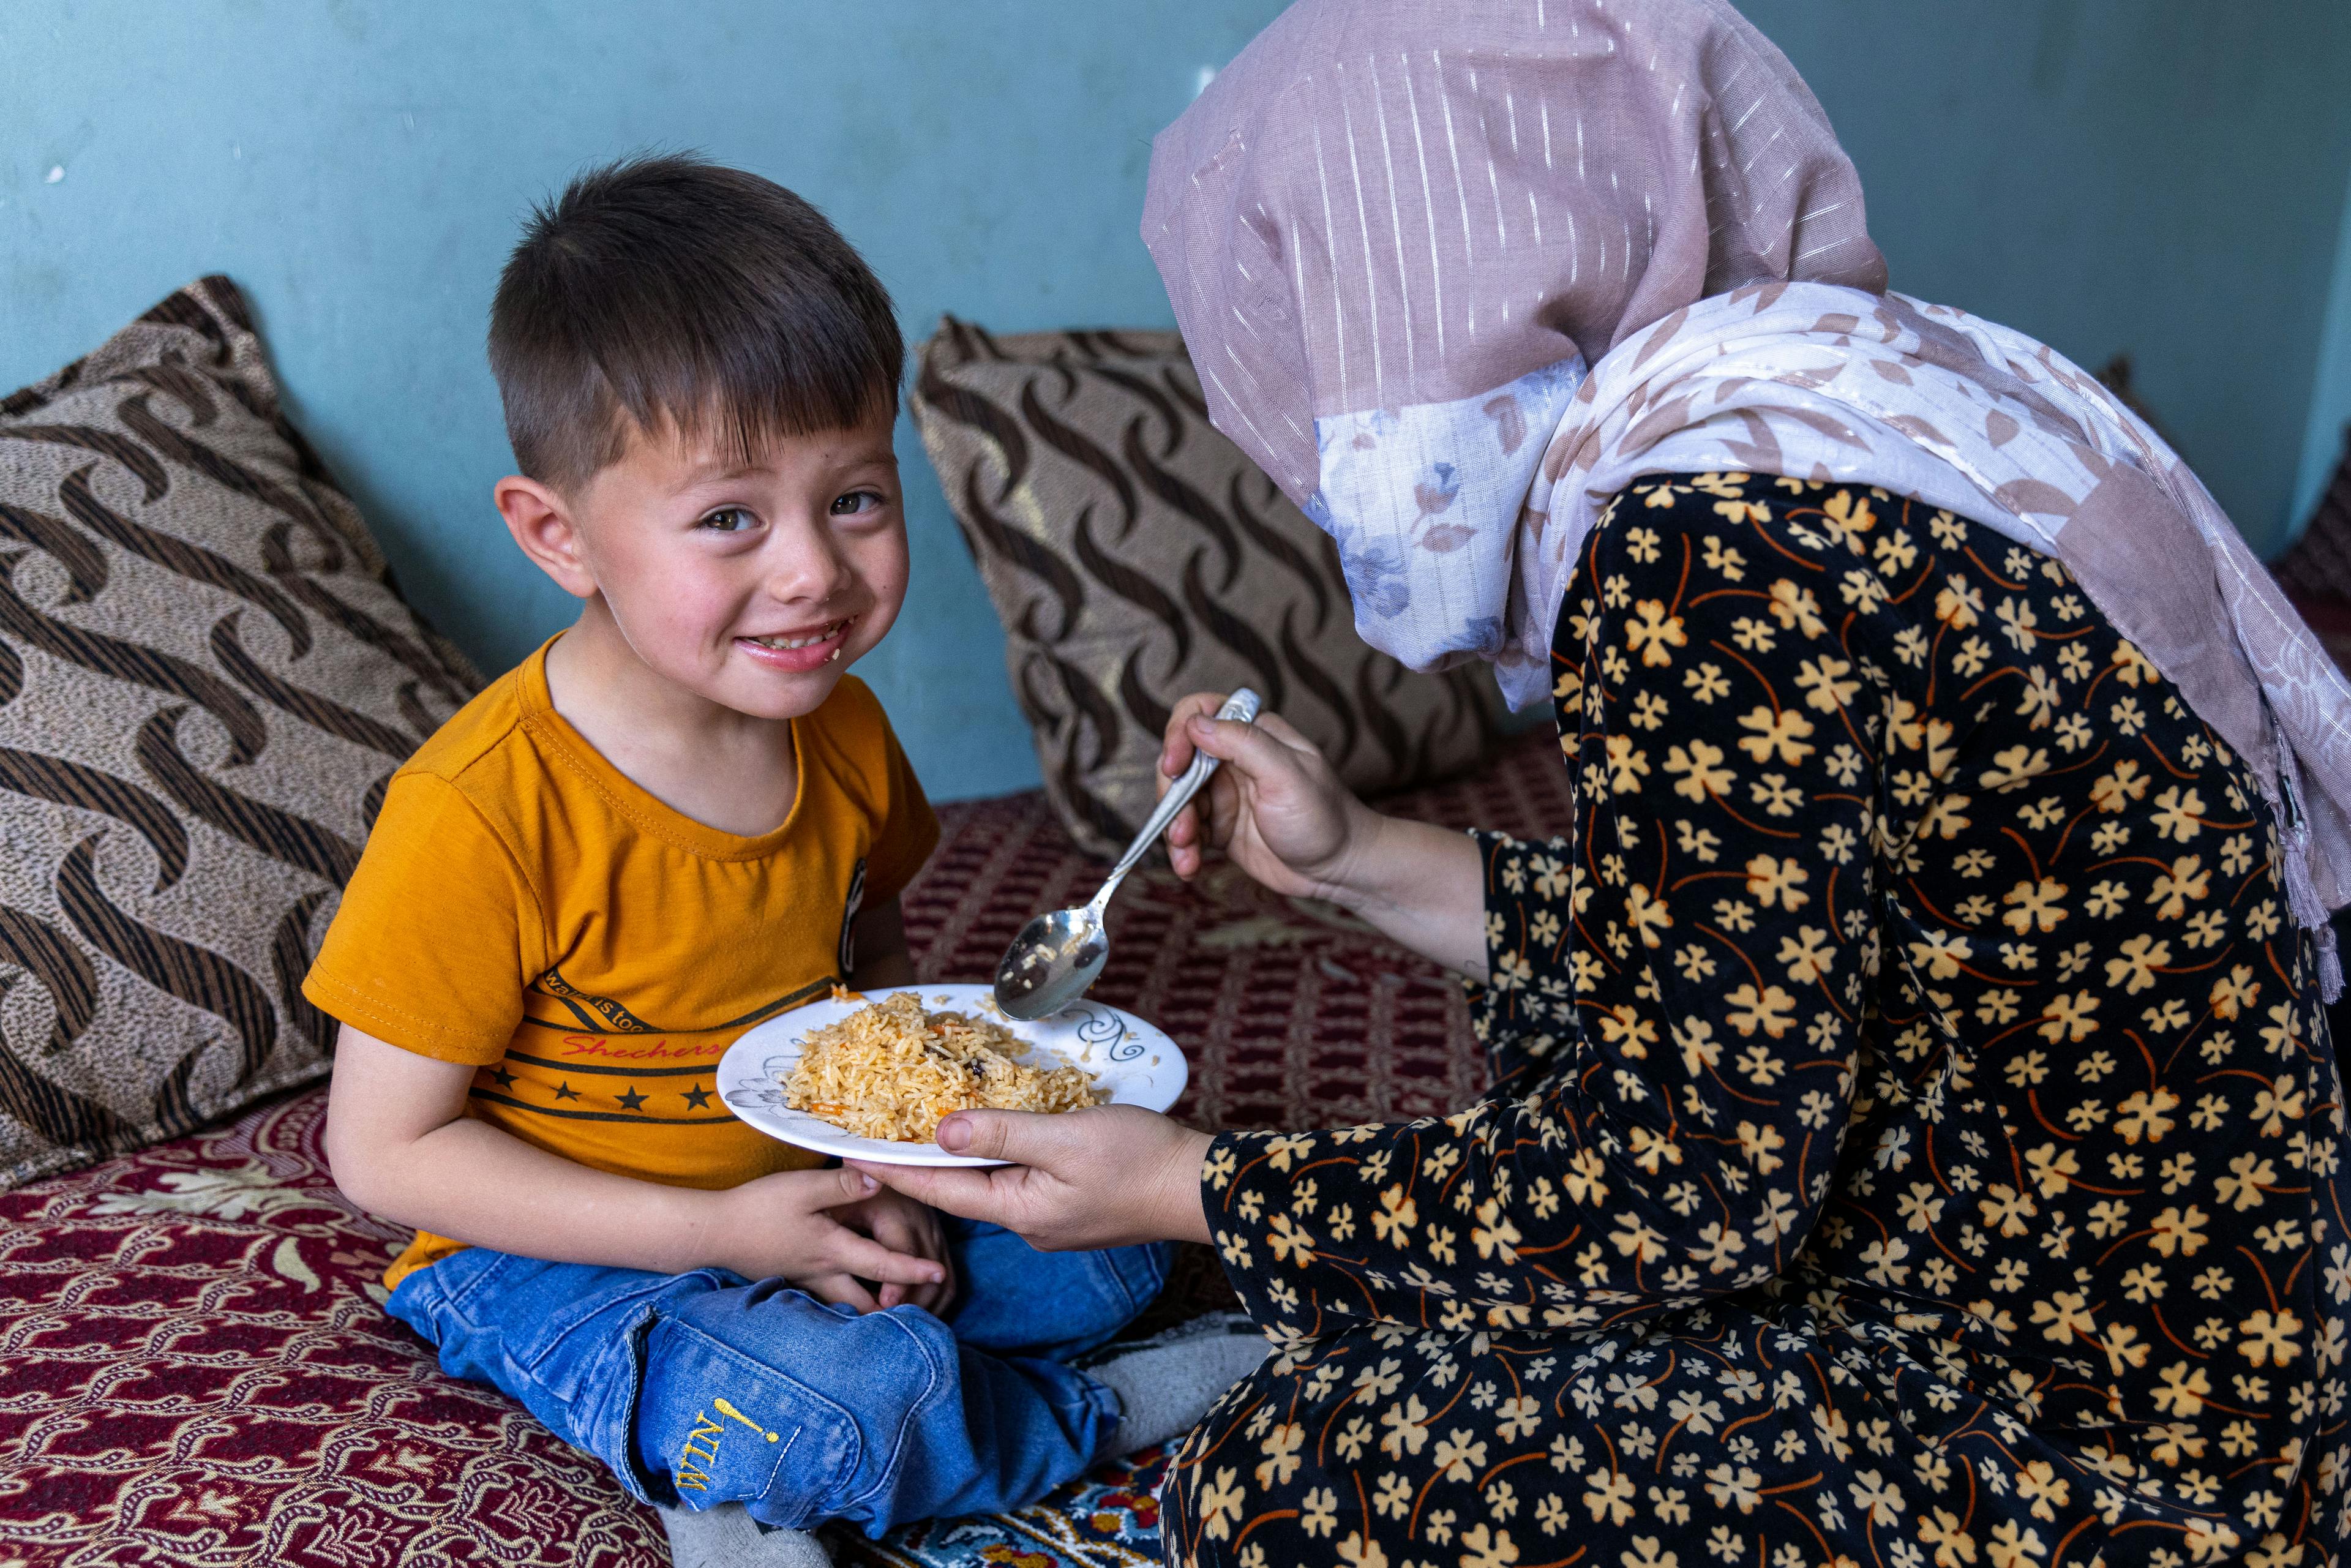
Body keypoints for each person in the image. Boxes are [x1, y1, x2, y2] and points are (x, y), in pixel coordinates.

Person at [859, 4, 2351, 1566]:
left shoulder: (1705, 544)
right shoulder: (1849, 412)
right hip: (2146, 1307)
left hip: (2091, 1443)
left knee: (1287, 1480)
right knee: (1501, 1159)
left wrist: (1193, 1190)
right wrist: (1357, 852)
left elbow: (1695, 1176)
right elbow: (1741, 960)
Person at [309, 154, 1261, 1567]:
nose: (814, 569)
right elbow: (382, 1153)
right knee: (847, 1413)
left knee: (1125, 1236)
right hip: (566, 1254)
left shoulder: (842, 728)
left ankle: (822, 1411)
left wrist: (881, 1167)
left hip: (806, 1198)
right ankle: (1070, 1418)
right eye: (730, 518)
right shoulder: (483, 810)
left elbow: (866, 976)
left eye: (856, 498)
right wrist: (724, 1234)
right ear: (559, 535)